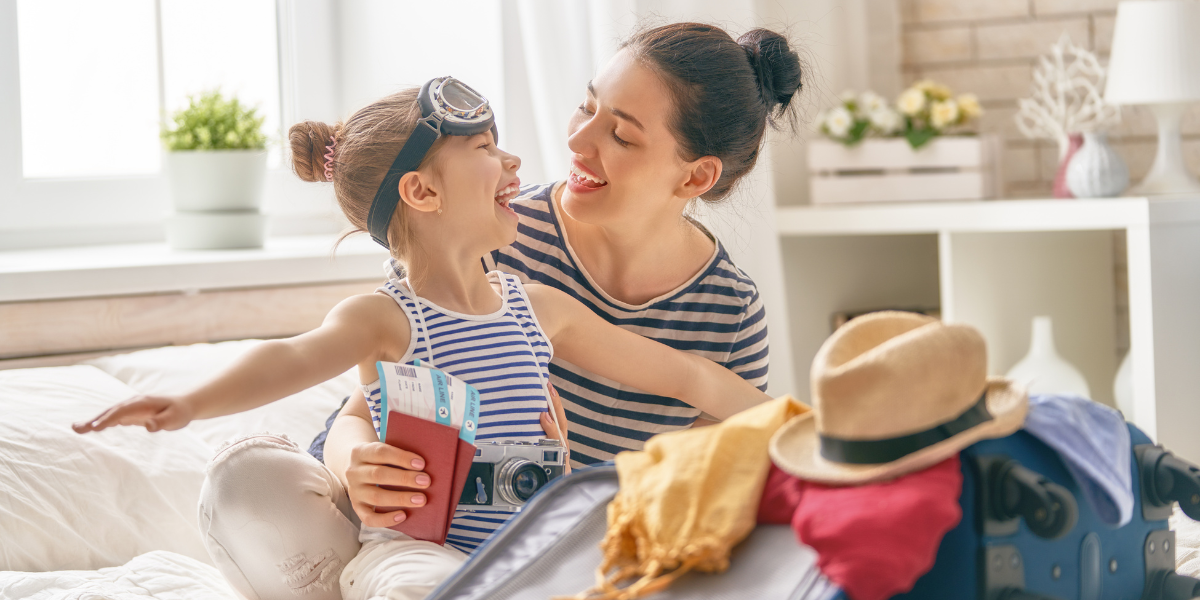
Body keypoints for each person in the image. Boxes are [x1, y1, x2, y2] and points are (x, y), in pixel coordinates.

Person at [72, 74, 773, 600]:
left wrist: (805, 427)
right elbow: (289, 358)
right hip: (416, 551)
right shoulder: (388, 317)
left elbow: (689, 377)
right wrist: (188, 404)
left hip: (530, 550)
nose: (515, 166)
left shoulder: (537, 309)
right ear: (423, 194)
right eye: (486, 149)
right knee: (410, 583)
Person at [317, 22, 805, 566]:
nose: (575, 140)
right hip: (401, 514)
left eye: (621, 135)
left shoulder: (728, 314)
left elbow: (694, 497)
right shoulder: (490, 231)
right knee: (256, 486)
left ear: (696, 178)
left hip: (558, 553)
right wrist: (353, 462)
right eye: (586, 106)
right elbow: (364, 408)